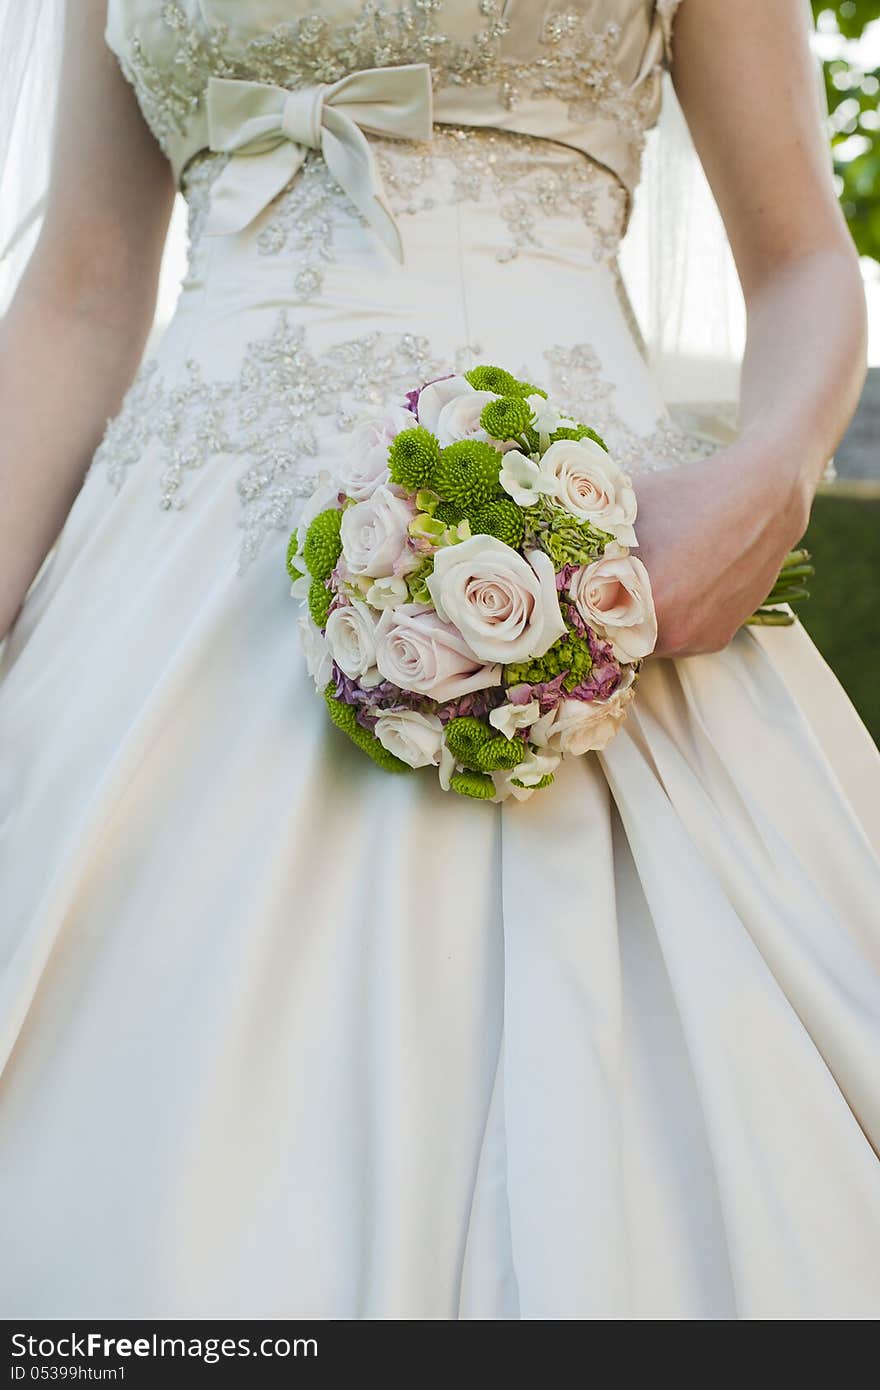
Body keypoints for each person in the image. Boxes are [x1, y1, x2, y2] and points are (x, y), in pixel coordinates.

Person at [1, 0, 878, 1320]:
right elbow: (78, 288)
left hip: (577, 539)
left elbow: (808, 257)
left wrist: (767, 484)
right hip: (161, 575)